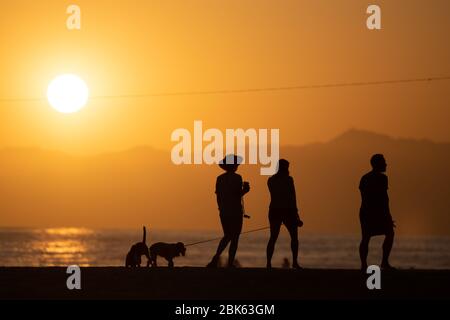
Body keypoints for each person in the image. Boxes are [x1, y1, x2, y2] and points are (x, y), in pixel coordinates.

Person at [207, 154, 250, 268]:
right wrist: (245, 190)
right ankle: (229, 263)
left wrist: (221, 208)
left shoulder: (219, 178)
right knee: (234, 238)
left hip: (224, 211)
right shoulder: (237, 178)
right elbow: (237, 195)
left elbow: (218, 196)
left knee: (227, 236)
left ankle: (216, 258)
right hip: (235, 211)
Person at [359, 154, 396, 271]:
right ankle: (384, 262)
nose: (386, 164)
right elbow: (384, 199)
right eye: (384, 162)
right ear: (377, 164)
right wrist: (387, 216)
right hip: (375, 211)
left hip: (365, 211)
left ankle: (364, 265)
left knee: (366, 237)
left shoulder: (364, 177)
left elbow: (364, 197)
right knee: (389, 233)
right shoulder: (382, 178)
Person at [266, 159, 303, 269]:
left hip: (274, 210)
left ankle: (268, 263)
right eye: (287, 167)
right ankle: (294, 262)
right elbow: (292, 197)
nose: (288, 170)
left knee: (273, 237)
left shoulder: (271, 180)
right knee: (294, 238)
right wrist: (296, 215)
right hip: (287, 211)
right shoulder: (288, 180)